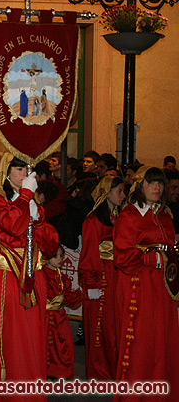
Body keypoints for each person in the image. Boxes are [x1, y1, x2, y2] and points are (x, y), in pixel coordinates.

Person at [0, 153, 59, 401]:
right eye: (19, 169)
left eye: (28, 169)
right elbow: (12, 226)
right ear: (7, 174)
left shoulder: (33, 204)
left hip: (34, 277)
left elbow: (50, 246)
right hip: (11, 279)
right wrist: (26, 197)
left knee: (35, 337)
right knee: (13, 338)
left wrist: (39, 220)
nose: (26, 174)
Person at [113, 166, 179, 401]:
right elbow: (122, 257)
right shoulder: (129, 215)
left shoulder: (165, 214)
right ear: (140, 185)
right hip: (138, 286)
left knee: (163, 340)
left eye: (160, 183)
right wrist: (153, 258)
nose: (157, 188)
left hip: (163, 288)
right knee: (141, 343)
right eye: (152, 183)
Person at [79, 176, 126, 380]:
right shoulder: (92, 220)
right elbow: (88, 254)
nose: (123, 196)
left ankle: (117, 369)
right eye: (119, 192)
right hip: (102, 275)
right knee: (102, 326)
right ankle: (101, 373)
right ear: (107, 192)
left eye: (124, 192)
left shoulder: (123, 217)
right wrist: (91, 283)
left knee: (119, 324)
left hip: (119, 274)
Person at [44, 245, 83, 379]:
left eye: (61, 256)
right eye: (55, 256)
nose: (59, 259)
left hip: (60, 317)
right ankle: (48, 371)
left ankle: (59, 373)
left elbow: (69, 298)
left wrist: (82, 294)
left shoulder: (62, 276)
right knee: (48, 345)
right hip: (46, 318)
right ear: (47, 258)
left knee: (63, 345)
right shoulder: (43, 275)